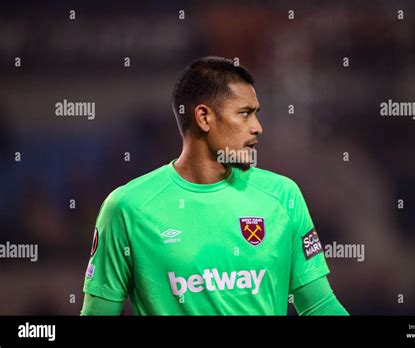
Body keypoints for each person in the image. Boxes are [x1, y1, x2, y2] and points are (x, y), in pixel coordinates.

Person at [80, 56, 349, 315]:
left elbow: (319, 306)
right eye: (245, 114)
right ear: (204, 118)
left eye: (256, 114)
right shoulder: (128, 208)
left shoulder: (283, 195)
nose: (257, 127)